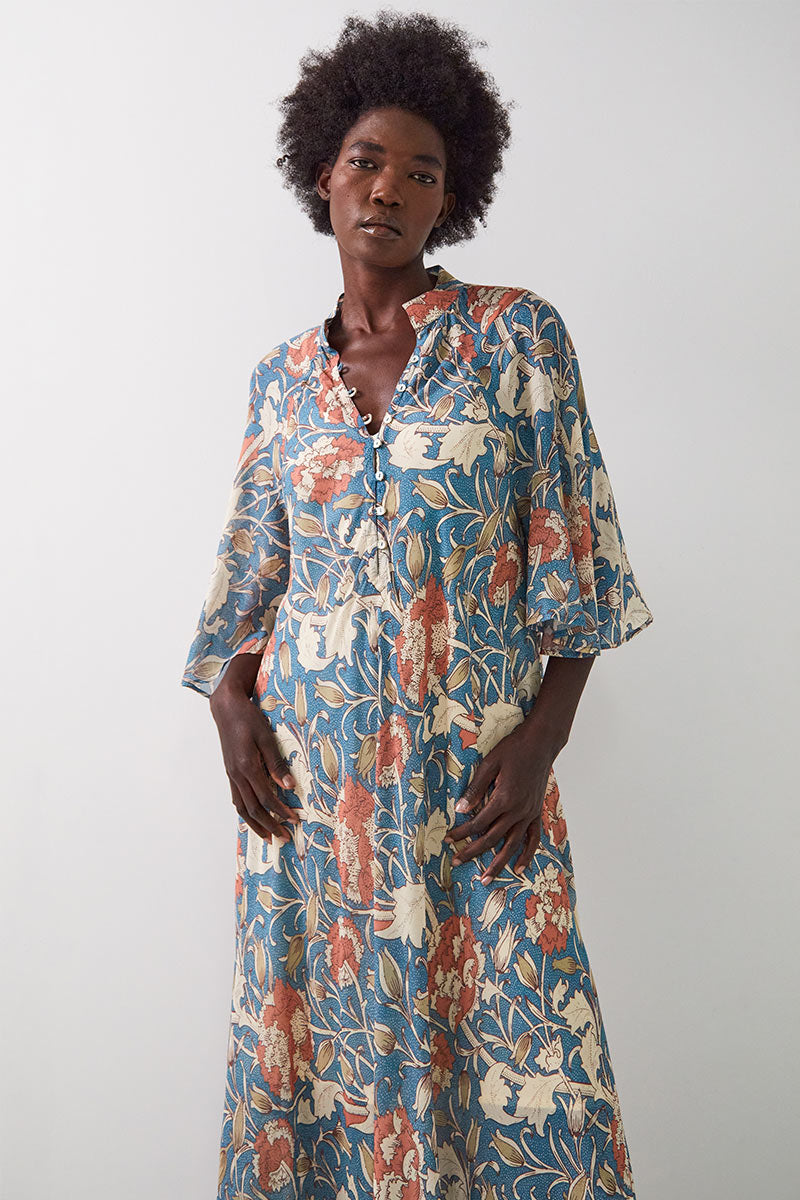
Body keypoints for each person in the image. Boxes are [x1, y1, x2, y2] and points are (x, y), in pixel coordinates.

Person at [181, 11, 654, 1199]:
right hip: (314, 798)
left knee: (525, 1065)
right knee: (326, 1067)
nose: (387, 188)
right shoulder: (280, 381)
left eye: (421, 172)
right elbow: (250, 579)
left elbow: (578, 565)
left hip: (476, 790)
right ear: (321, 174)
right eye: (365, 161)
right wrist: (230, 709)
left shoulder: (516, 338)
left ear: (453, 197)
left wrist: (540, 744)